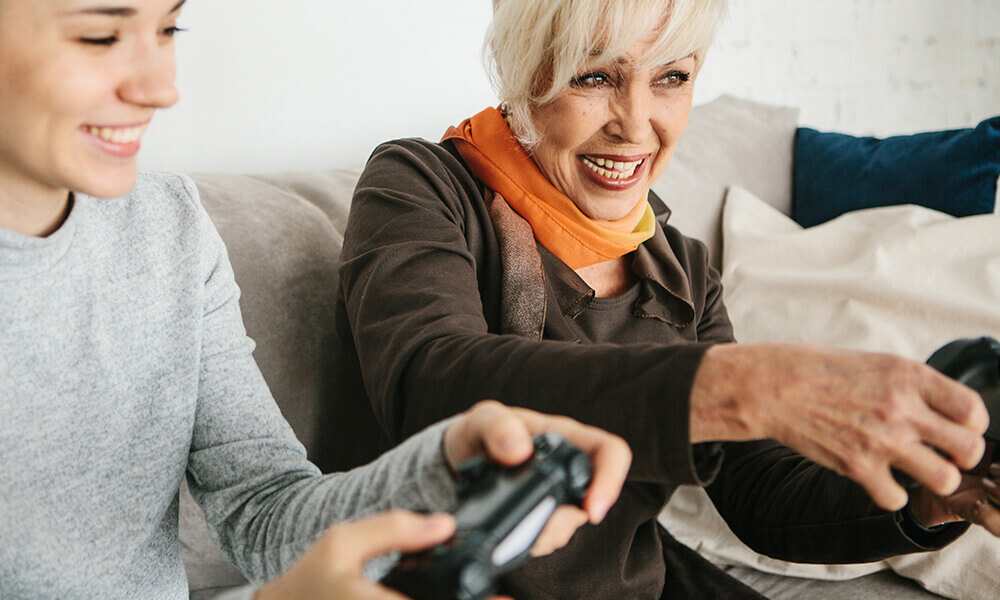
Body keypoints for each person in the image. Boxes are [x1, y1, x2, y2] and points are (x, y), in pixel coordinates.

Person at [327, 0, 1000, 598]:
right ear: (524, 72)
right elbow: (433, 382)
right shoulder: (420, 186)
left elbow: (759, 492)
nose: (637, 124)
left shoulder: (679, 268)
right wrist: (733, 388)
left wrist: (928, 500)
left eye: (671, 79)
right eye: (595, 77)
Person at [0, 2, 632, 599]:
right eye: (100, 36)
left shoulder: (169, 228)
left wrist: (441, 467)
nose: (160, 88)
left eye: (168, 30)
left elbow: (264, 509)